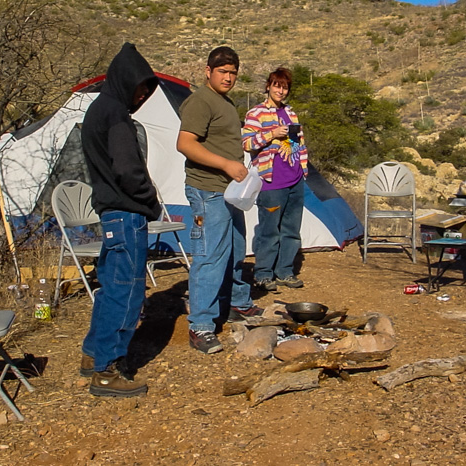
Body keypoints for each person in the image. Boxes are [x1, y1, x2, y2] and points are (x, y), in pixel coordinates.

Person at [79, 42, 161, 397]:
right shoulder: (115, 115)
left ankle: (92, 354)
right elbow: (128, 169)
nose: (142, 97)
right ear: (127, 80)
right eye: (141, 89)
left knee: (111, 288)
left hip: (111, 214)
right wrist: (150, 199)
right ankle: (107, 370)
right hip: (127, 214)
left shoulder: (99, 109)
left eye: (146, 92)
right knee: (127, 293)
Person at [176, 46, 262, 354]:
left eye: (233, 73)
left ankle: (237, 304)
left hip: (230, 191)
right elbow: (184, 144)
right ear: (208, 71)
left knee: (237, 249)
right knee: (210, 256)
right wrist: (225, 164)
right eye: (222, 72)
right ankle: (200, 325)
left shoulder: (224, 102)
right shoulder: (200, 101)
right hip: (207, 190)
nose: (228, 78)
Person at [242, 68, 310, 292]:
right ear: (268, 86)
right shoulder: (256, 113)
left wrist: (299, 159)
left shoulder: (290, 113)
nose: (281, 91)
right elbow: (247, 143)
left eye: (285, 87)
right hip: (271, 181)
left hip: (294, 178)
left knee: (291, 228)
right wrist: (271, 134)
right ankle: (263, 273)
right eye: (277, 86)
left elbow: (297, 141)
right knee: (269, 229)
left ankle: (285, 271)